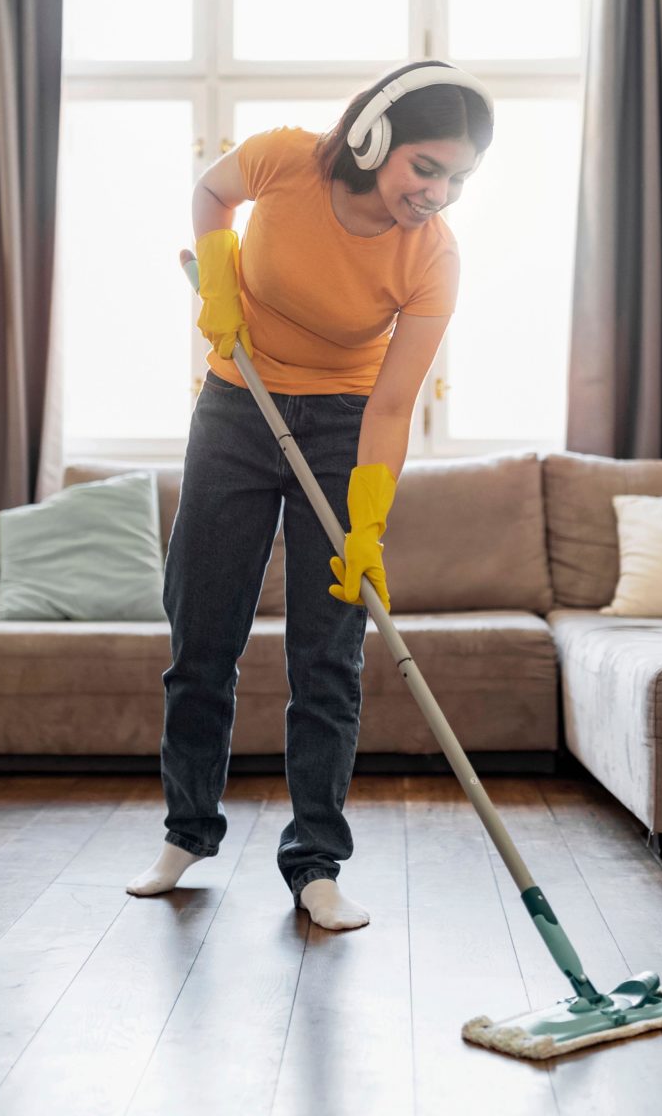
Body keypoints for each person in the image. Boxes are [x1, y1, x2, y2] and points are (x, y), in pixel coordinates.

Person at [124, 61, 495, 930]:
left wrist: (368, 521)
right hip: (236, 406)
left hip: (343, 426)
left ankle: (316, 862)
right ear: (374, 141)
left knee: (327, 652)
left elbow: (395, 402)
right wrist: (219, 273)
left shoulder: (433, 258)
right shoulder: (283, 162)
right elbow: (209, 197)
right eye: (426, 168)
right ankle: (187, 832)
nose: (438, 193)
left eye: (460, 179)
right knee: (202, 634)